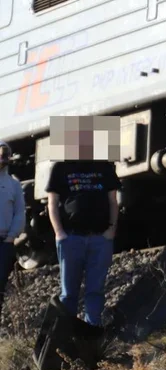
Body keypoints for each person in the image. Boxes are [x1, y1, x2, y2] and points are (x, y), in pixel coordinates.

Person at [45, 129, 120, 327]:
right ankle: (67, 335)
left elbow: (113, 201)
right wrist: (59, 233)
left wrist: (110, 231)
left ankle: (91, 332)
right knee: (69, 293)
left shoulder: (104, 167)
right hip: (71, 238)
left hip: (99, 238)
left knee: (95, 291)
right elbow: (52, 202)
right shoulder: (60, 168)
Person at [0, 140, 25, 323]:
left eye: (5, 153)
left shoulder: (13, 185)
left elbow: (19, 213)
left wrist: (10, 237)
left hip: (4, 242)